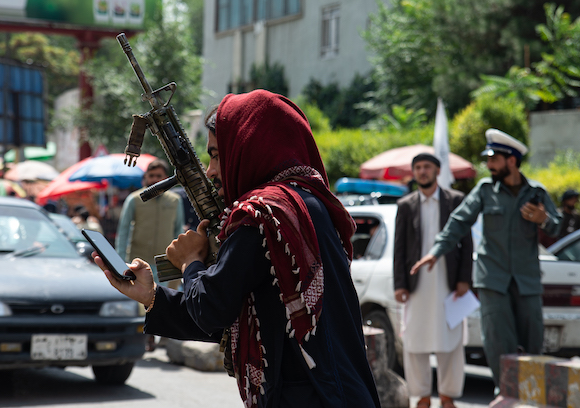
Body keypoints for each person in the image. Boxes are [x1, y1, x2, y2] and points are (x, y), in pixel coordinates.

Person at [97, 90, 380, 407]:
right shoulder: (307, 203)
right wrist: (152, 296)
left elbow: (211, 308)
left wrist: (191, 261)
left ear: (249, 147)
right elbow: (226, 311)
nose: (211, 170)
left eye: (217, 154)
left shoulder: (260, 215)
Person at [411, 128, 562, 389]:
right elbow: (459, 222)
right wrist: (436, 251)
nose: (488, 165)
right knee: (498, 343)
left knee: (533, 343)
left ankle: (529, 396)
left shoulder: (536, 193)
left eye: (493, 159)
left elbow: (557, 227)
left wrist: (544, 220)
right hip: (493, 279)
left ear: (511, 161)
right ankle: (504, 393)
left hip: (527, 280)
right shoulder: (484, 190)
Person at [394, 153, 473, 408]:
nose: (422, 171)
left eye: (427, 167)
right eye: (417, 167)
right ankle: (423, 396)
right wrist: (400, 284)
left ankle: (448, 396)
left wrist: (464, 279)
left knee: (450, 338)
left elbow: (467, 243)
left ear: (438, 171)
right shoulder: (406, 205)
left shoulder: (456, 201)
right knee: (415, 340)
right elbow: (399, 248)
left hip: (449, 284)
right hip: (416, 284)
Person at [116, 159, 185, 287]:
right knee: (138, 302)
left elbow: (178, 230)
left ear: (166, 178)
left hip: (165, 263)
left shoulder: (175, 200)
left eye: (158, 176)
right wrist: (120, 262)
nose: (154, 179)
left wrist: (180, 259)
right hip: (138, 261)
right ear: (146, 177)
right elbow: (123, 231)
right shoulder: (134, 199)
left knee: (161, 301)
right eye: (151, 175)